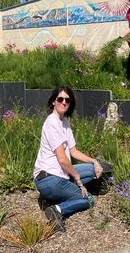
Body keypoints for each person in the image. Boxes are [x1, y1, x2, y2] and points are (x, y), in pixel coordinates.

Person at [33, 86, 104, 231]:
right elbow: (63, 160)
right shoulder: (51, 123)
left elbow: (74, 152)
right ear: (54, 101)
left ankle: (62, 194)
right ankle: (57, 209)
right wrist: (77, 179)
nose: (63, 102)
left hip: (60, 175)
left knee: (92, 170)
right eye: (60, 99)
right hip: (48, 179)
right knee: (89, 200)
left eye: (67, 100)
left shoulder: (64, 122)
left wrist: (94, 161)